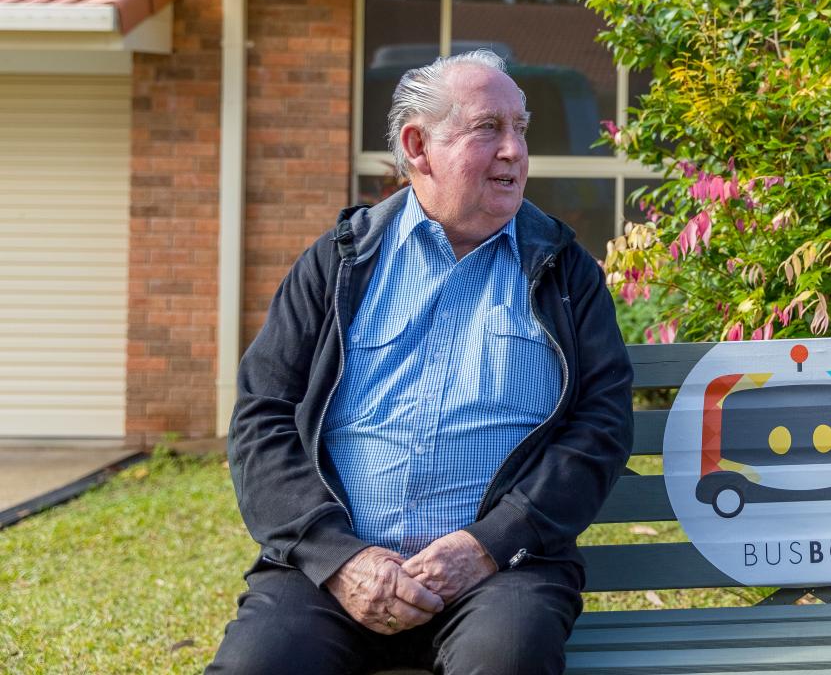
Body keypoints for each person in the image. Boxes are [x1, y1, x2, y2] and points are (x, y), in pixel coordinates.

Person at [208, 49, 633, 675]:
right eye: (489, 128)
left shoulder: (563, 271)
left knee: (506, 660)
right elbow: (261, 419)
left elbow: (601, 424)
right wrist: (341, 559)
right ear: (418, 146)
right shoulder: (336, 265)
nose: (515, 151)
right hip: (331, 574)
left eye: (520, 128)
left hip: (503, 574)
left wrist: (487, 546)